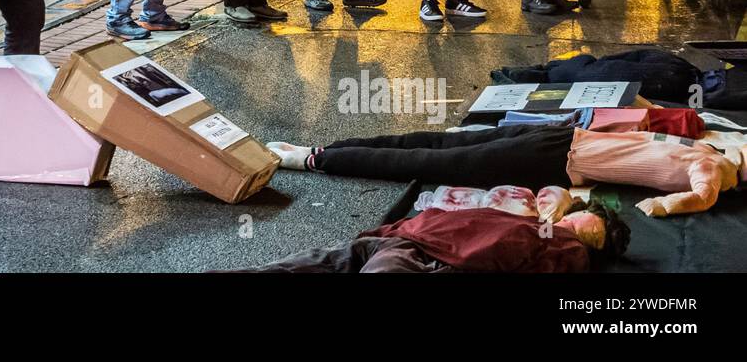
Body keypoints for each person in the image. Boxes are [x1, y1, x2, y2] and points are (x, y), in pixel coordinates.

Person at [265, 123, 747, 217]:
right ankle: (312, 157)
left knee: (434, 145)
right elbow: (701, 196)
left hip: (563, 138)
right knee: (431, 159)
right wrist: (660, 206)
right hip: (555, 158)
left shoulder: (707, 149)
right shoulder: (713, 167)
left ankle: (319, 150)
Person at [241, 202, 626, 273]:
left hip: (419, 251)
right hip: (408, 243)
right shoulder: (536, 221)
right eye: (577, 221)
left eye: (584, 232)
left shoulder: (569, 249)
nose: (572, 228)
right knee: (294, 266)